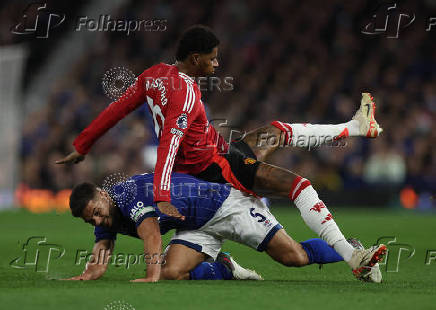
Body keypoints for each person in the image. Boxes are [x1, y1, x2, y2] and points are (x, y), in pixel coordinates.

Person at [56, 25, 384, 279]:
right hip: (215, 172)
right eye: (212, 57)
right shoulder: (185, 95)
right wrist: (161, 194)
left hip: (215, 159)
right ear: (195, 59)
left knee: (274, 133)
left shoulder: (153, 75)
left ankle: (354, 128)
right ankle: (350, 254)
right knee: (298, 185)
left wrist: (82, 145)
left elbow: (117, 109)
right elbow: (169, 144)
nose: (217, 63)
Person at [64, 173, 385, 283]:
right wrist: (88, 274)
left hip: (226, 205)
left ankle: (346, 246)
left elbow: (150, 233)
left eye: (95, 213)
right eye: (89, 220)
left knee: (294, 258)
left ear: (103, 196)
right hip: (195, 224)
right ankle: (226, 268)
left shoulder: (127, 194)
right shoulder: (105, 213)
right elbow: (102, 250)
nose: (96, 221)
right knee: (172, 272)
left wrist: (150, 276)